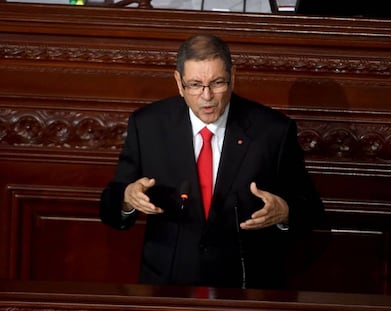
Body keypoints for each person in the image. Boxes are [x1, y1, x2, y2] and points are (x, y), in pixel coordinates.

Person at [100, 33, 327, 290]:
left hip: (247, 288)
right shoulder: (148, 125)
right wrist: (127, 199)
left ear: (233, 78)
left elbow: (310, 209)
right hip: (168, 288)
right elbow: (110, 206)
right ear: (178, 82)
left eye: (217, 83)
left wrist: (285, 212)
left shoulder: (272, 130)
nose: (206, 96)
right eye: (195, 85)